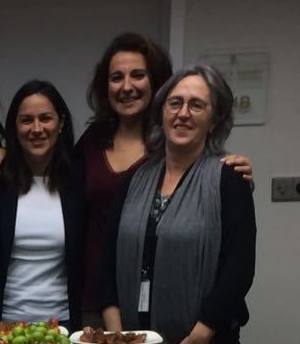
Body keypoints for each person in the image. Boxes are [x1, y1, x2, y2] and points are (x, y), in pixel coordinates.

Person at [99, 65, 256, 344]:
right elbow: (107, 266)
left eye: (196, 105)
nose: (183, 113)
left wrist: (200, 337)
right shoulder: (134, 180)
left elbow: (239, 268)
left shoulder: (228, 180)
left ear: (215, 118)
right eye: (175, 103)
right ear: (162, 113)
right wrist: (120, 343)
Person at [74, 33, 251, 325]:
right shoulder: (92, 141)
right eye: (116, 77)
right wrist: (1, 152)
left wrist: (239, 172)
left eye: (138, 75)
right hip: (104, 298)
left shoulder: (175, 145)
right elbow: (54, 180)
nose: (127, 86)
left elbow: (237, 257)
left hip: (182, 308)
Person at [0, 80, 86, 322]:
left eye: (45, 118)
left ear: (61, 123)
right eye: (26, 120)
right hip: (5, 326)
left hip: (62, 326)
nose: (36, 128)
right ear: (14, 127)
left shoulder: (80, 182)